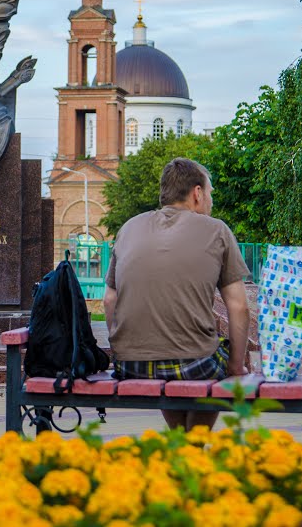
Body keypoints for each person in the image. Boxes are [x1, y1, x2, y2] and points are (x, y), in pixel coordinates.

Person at [104, 158, 250, 431]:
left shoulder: (129, 228)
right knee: (212, 359)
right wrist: (236, 366)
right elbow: (239, 307)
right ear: (197, 193)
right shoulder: (216, 230)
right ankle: (194, 443)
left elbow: (109, 300)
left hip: (132, 366)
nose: (210, 201)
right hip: (195, 364)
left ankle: (181, 440)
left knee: (171, 368)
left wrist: (123, 349)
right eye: (210, 193)